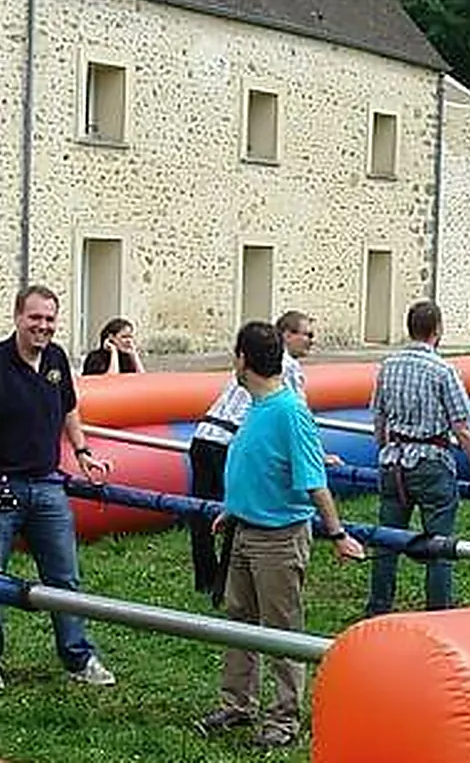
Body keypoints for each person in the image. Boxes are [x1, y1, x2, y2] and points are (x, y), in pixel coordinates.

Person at [195, 321, 364, 749]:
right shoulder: (257, 406)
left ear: (243, 360)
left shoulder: (290, 412)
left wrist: (337, 533)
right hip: (244, 530)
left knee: (281, 629)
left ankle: (283, 719)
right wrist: (233, 509)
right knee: (239, 621)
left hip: (278, 538)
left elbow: (314, 480)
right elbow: (259, 464)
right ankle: (237, 704)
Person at [0, 285, 116, 691]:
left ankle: (78, 656)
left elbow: (69, 407)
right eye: (35, 317)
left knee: (65, 578)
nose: (43, 326)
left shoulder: (56, 359)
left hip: (48, 485)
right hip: (0, 486)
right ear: (18, 317)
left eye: (50, 319)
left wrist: (82, 451)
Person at [365, 300, 470, 616]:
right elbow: (461, 427)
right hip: (431, 462)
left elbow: (379, 417)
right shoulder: (443, 370)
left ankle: (379, 607)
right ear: (438, 330)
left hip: (394, 461)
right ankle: (438, 611)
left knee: (387, 540)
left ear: (409, 328)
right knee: (440, 545)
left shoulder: (388, 365)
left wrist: (383, 449)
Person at [189, 310, 319, 596]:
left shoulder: (249, 364)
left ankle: (207, 578)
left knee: (201, 512)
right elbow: (297, 414)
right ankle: (228, 580)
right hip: (229, 440)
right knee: (241, 512)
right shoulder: (284, 367)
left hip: (205, 434)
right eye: (307, 334)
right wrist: (318, 454)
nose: (312, 340)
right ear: (286, 336)